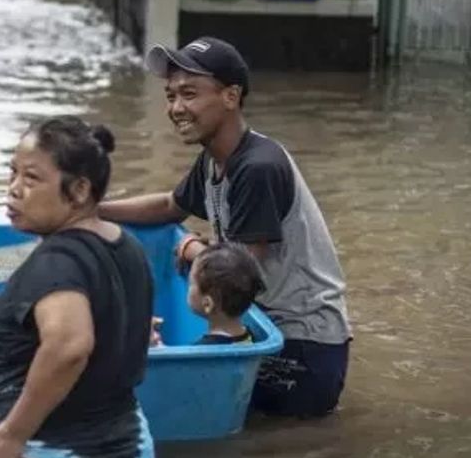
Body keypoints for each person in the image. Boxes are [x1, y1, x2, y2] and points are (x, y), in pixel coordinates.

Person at [99, 36, 351, 417]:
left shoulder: (257, 168)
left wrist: (195, 250)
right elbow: (170, 206)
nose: (176, 108)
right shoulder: (215, 159)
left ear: (231, 96)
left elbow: (237, 274)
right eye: (170, 96)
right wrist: (93, 210)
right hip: (265, 328)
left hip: (302, 345)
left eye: (189, 94)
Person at [0, 116, 155, 458]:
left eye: (31, 179)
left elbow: (69, 346)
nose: (14, 189)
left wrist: (12, 433)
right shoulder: (127, 248)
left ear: (80, 189)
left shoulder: (58, 259)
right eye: (12, 173)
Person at [187, 243, 264, 345]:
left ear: (207, 304)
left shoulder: (201, 353)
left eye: (191, 283)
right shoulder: (252, 337)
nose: (188, 288)